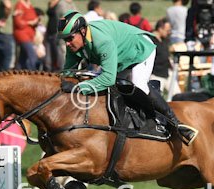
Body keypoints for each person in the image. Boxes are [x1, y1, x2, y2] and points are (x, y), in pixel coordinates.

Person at [58, 11, 196, 144]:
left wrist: (78, 88)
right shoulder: (74, 46)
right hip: (121, 57)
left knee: (139, 85)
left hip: (140, 50)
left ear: (83, 31)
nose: (67, 44)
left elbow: (108, 79)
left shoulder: (101, 41)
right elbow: (67, 74)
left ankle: (175, 123)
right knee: (107, 86)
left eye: (70, 38)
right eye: (65, 40)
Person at [151, 18, 180, 98]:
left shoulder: (165, 40)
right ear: (160, 29)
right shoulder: (151, 40)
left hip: (166, 72)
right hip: (155, 74)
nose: (169, 32)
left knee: (177, 95)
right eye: (167, 30)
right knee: (156, 98)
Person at [44, 0, 75, 72]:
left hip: (57, 32)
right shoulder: (55, 4)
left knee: (59, 55)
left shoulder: (62, 4)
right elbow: (50, 13)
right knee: (49, 57)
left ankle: (59, 72)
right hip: (51, 32)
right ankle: (49, 72)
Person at [13, 0, 39, 70]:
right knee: (32, 55)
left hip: (30, 35)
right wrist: (30, 22)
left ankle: (17, 73)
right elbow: (18, 22)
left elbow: (33, 17)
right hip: (22, 35)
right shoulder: (19, 5)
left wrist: (36, 21)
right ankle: (33, 73)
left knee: (22, 58)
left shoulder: (29, 5)